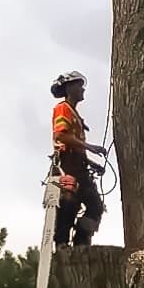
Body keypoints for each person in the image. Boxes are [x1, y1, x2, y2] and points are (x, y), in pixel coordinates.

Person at [50, 71, 106, 247]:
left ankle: (81, 243)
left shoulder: (75, 114)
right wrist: (90, 147)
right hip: (67, 164)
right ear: (70, 87)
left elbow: (76, 146)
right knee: (69, 204)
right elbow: (60, 135)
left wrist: (92, 163)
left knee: (95, 206)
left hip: (79, 165)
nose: (83, 89)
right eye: (79, 85)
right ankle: (62, 244)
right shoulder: (63, 108)